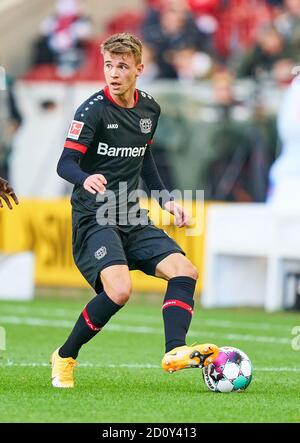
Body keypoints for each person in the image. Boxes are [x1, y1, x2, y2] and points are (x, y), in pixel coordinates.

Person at [52, 33, 219, 388]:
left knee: (185, 271)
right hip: (94, 216)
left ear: (139, 69)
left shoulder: (150, 109)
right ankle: (65, 356)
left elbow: (145, 160)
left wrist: (166, 200)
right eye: (109, 65)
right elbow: (65, 163)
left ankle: (175, 351)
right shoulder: (91, 110)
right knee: (120, 290)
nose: (114, 73)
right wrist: (85, 178)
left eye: (122, 66)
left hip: (130, 213)